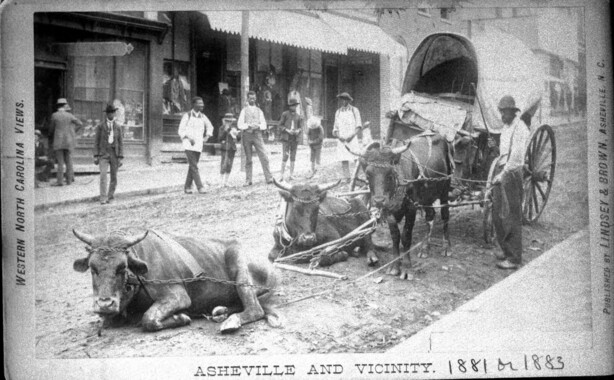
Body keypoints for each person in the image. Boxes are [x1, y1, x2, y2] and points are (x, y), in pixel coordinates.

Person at [489, 95, 530, 270]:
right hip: (502, 169)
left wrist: (503, 175)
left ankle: (514, 259)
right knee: (498, 213)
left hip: (511, 174)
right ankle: (505, 250)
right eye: (500, 112)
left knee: (512, 216)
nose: (502, 116)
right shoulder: (506, 127)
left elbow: (516, 157)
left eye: (504, 113)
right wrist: (494, 146)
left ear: (512, 112)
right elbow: (505, 151)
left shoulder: (520, 129)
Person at [178, 96, 214, 194]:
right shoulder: (187, 115)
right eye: (199, 103)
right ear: (194, 104)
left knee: (193, 166)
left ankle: (187, 187)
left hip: (198, 145)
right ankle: (200, 187)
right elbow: (181, 130)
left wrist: (207, 136)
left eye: (202, 103)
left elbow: (210, 126)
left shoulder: (203, 116)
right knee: (194, 166)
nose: (202, 105)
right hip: (188, 144)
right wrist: (188, 138)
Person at [237, 91, 273, 186]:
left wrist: (258, 126)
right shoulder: (244, 111)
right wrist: (248, 125)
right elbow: (239, 124)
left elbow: (264, 124)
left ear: (255, 98)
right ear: (247, 99)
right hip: (247, 135)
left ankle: (269, 177)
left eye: (253, 98)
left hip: (257, 135)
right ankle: (248, 180)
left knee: (264, 156)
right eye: (250, 98)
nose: (252, 100)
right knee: (248, 158)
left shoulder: (259, 111)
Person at [48, 98, 83, 186]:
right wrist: (73, 132)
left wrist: (51, 135)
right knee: (69, 161)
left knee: (60, 162)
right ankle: (69, 181)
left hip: (58, 141)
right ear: (65, 105)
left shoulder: (54, 115)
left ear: (57, 106)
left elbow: (51, 130)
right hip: (68, 141)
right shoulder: (69, 115)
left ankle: (59, 182)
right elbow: (80, 124)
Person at [94, 104, 124, 204]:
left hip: (114, 154)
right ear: (106, 114)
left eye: (112, 112)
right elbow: (96, 142)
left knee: (114, 177)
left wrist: (120, 157)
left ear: (114, 113)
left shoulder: (118, 127)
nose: (111, 114)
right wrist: (96, 155)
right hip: (103, 154)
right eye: (109, 113)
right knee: (103, 175)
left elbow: (120, 143)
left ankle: (110, 195)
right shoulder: (100, 126)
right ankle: (103, 197)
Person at [332, 92, 362, 181]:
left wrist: (352, 136)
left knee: (356, 158)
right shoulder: (338, 112)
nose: (343, 101)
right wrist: (339, 136)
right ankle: (347, 178)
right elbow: (335, 128)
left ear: (348, 100)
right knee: (343, 158)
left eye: (345, 99)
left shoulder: (354, 110)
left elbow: (358, 125)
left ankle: (356, 177)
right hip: (342, 139)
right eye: (341, 99)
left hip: (352, 138)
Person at [278, 98, 304, 181]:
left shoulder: (298, 116)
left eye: (295, 105)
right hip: (286, 138)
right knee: (285, 156)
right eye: (292, 105)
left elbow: (301, 127)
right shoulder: (285, 114)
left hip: (294, 139)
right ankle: (281, 175)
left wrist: (298, 131)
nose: (294, 107)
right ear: (289, 106)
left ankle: (291, 174)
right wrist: (287, 130)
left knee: (293, 156)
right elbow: (280, 125)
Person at [218, 113, 240, 187]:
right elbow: (220, 138)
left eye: (230, 121)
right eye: (227, 121)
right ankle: (220, 182)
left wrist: (237, 134)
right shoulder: (222, 128)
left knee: (230, 164)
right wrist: (226, 131)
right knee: (224, 164)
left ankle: (226, 182)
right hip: (225, 148)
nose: (229, 122)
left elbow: (238, 139)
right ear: (225, 121)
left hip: (232, 148)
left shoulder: (234, 128)